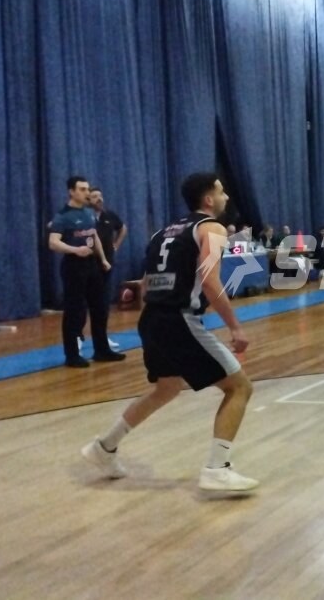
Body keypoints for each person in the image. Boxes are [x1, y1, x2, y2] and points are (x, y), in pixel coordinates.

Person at [80, 173, 258, 491]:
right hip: (179, 319)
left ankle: (104, 447)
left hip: (151, 318)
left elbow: (147, 284)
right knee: (239, 388)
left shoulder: (162, 232)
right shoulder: (213, 228)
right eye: (221, 191)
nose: (226, 197)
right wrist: (235, 326)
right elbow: (211, 280)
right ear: (208, 199)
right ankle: (217, 469)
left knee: (166, 388)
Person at [48, 177, 124, 368]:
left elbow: (94, 236)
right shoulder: (63, 216)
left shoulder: (89, 213)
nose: (86, 193)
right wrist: (75, 250)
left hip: (92, 265)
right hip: (73, 267)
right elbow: (53, 242)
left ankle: (101, 349)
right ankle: (72, 354)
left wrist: (103, 259)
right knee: (75, 310)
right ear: (71, 192)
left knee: (100, 307)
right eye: (82, 189)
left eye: (87, 189)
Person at [90, 186, 126, 349]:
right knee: (83, 303)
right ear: (88, 200)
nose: (99, 199)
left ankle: (103, 336)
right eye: (95, 196)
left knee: (103, 303)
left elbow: (123, 228)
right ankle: (78, 337)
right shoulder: (85, 217)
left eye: (100, 196)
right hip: (88, 264)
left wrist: (116, 245)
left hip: (106, 265)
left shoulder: (109, 215)